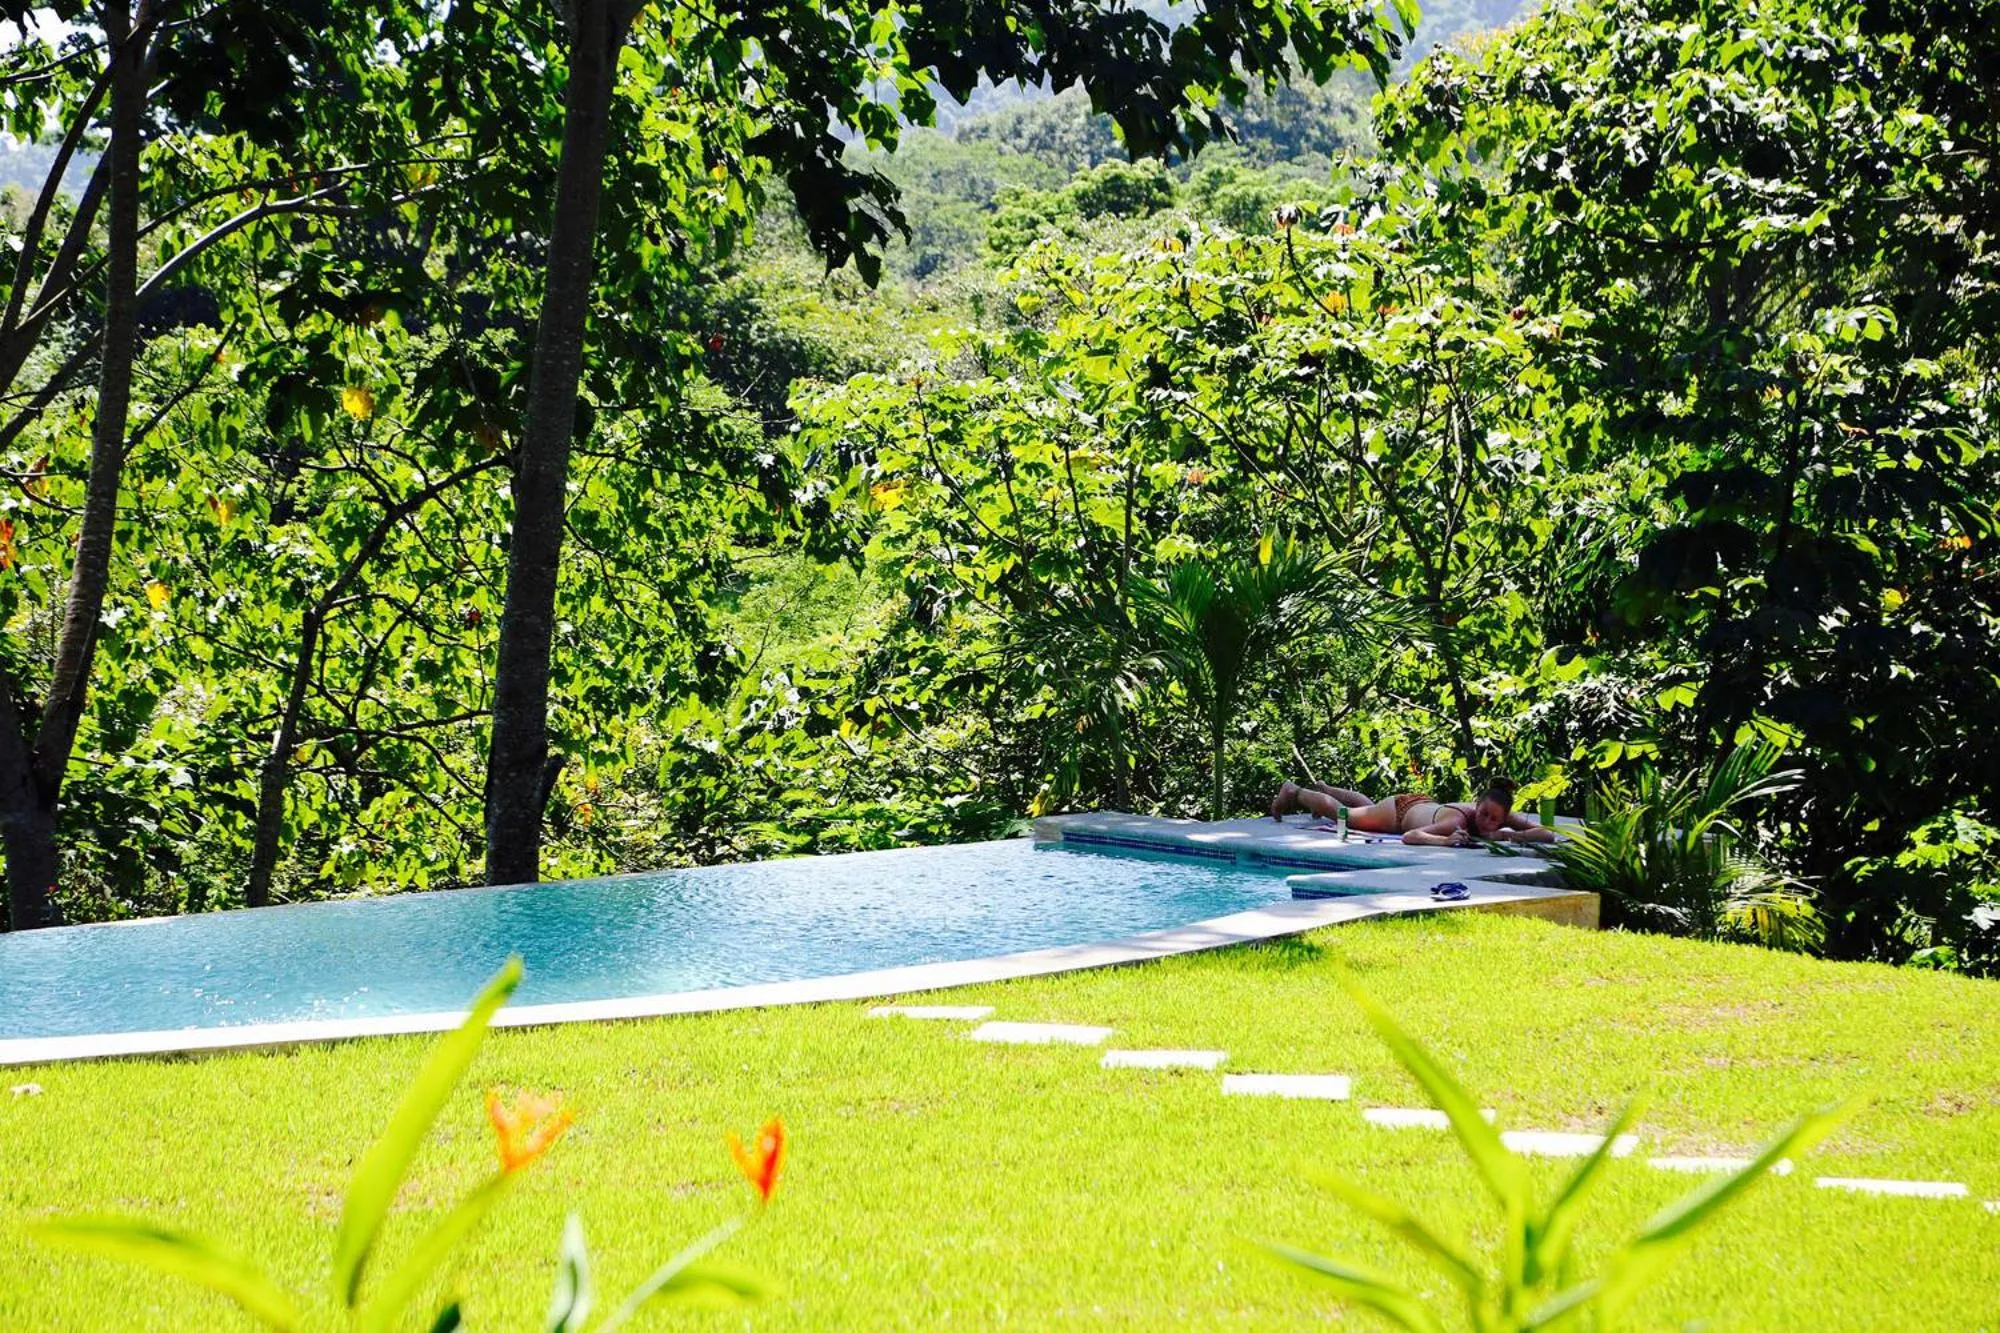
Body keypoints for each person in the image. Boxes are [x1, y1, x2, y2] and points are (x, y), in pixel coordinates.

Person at [1269, 776, 1556, 846]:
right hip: (1400, 813)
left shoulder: (1499, 819)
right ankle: (1294, 791)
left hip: (1419, 803)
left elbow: (1547, 835)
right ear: (1476, 806)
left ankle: (1325, 788)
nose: (1487, 822)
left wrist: (1510, 836)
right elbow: (1411, 837)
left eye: (1495, 819)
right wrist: (1445, 841)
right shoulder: (1457, 820)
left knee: (1365, 804)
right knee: (1347, 815)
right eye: (1484, 814)